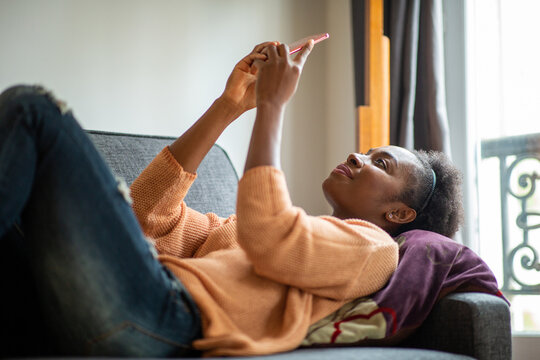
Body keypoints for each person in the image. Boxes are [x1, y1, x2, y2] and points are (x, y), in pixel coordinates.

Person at [0, 40, 463, 357]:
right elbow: (145, 216)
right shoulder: (259, 230)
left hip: (163, 320)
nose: (357, 156)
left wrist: (273, 106)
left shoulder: (373, 249)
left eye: (381, 163)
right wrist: (231, 104)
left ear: (399, 213)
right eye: (366, 151)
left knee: (36, 113)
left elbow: (273, 235)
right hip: (128, 294)